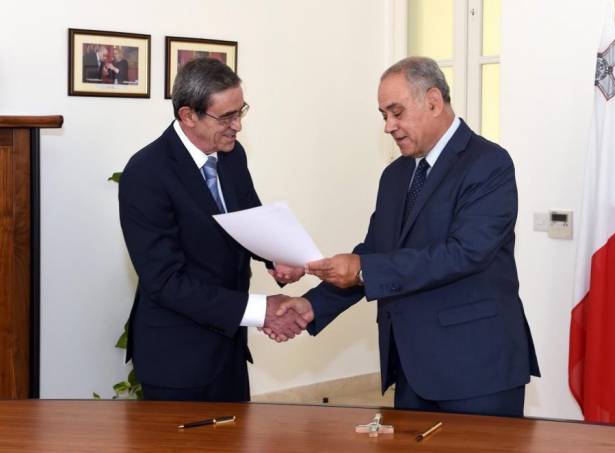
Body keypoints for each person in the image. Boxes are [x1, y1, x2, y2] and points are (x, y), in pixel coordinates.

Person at [275, 56, 540, 416]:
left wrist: (362, 268)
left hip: (477, 369)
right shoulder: (395, 175)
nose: (388, 126)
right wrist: (312, 305)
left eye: (396, 112)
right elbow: (375, 253)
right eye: (383, 115)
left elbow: (464, 253)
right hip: (411, 368)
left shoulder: (488, 163)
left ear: (433, 101)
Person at [118, 57, 309, 402]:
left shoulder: (232, 156)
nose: (238, 126)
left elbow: (250, 223)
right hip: (176, 358)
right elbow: (165, 281)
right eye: (227, 117)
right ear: (188, 115)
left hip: (229, 348)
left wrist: (278, 258)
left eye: (241, 111)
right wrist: (260, 310)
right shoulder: (146, 173)